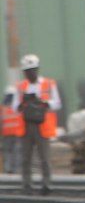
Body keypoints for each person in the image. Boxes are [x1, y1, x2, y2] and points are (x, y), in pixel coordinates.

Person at [14, 56, 59, 194]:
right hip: (26, 126)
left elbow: (57, 103)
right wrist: (23, 104)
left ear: (37, 69)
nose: (30, 73)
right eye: (27, 71)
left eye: (32, 70)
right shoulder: (20, 87)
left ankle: (47, 184)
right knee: (25, 158)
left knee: (44, 157)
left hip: (42, 125)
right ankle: (26, 184)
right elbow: (14, 106)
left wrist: (43, 103)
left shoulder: (49, 84)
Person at [0, 86, 20, 176]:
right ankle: (15, 169)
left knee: (8, 151)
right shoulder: (17, 107)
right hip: (17, 132)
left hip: (6, 132)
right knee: (16, 150)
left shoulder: (2, 107)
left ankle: (8, 168)